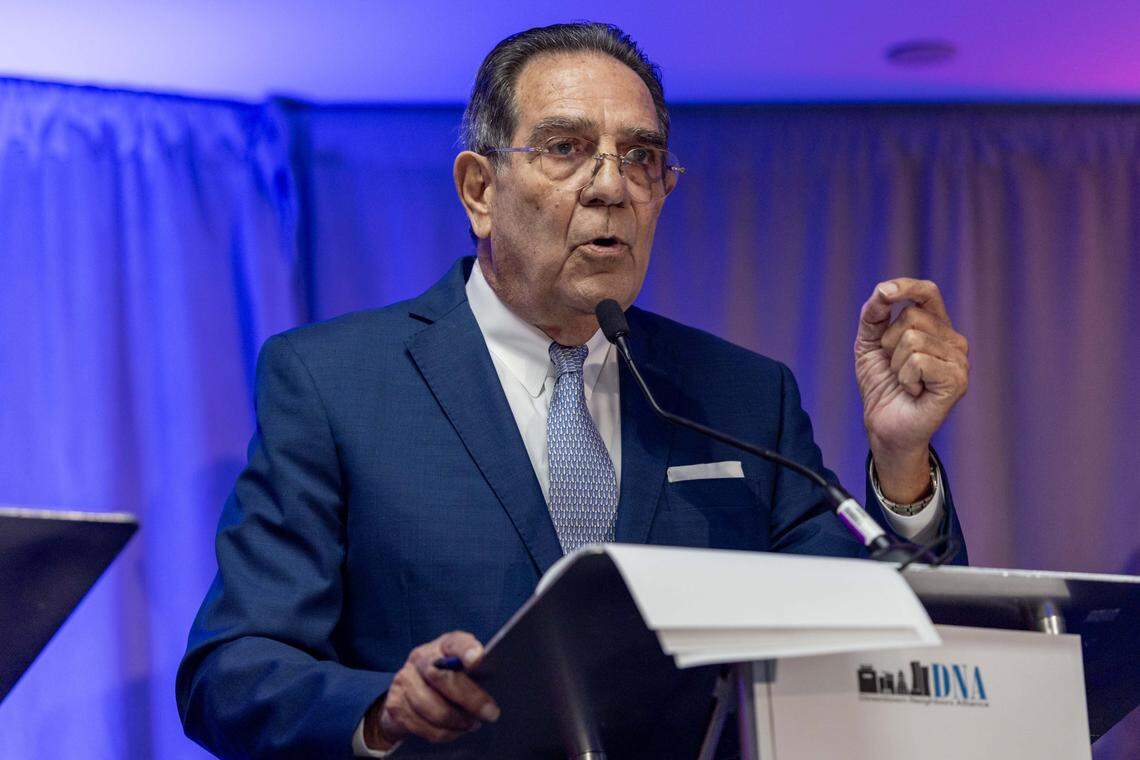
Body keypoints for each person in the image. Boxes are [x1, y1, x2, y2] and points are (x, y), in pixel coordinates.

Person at [177, 22, 970, 759]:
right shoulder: (333, 382)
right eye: (566, 148)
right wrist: (384, 707)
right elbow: (233, 668)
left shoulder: (739, 394)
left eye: (640, 157)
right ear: (479, 190)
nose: (611, 187)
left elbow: (859, 623)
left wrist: (900, 459)